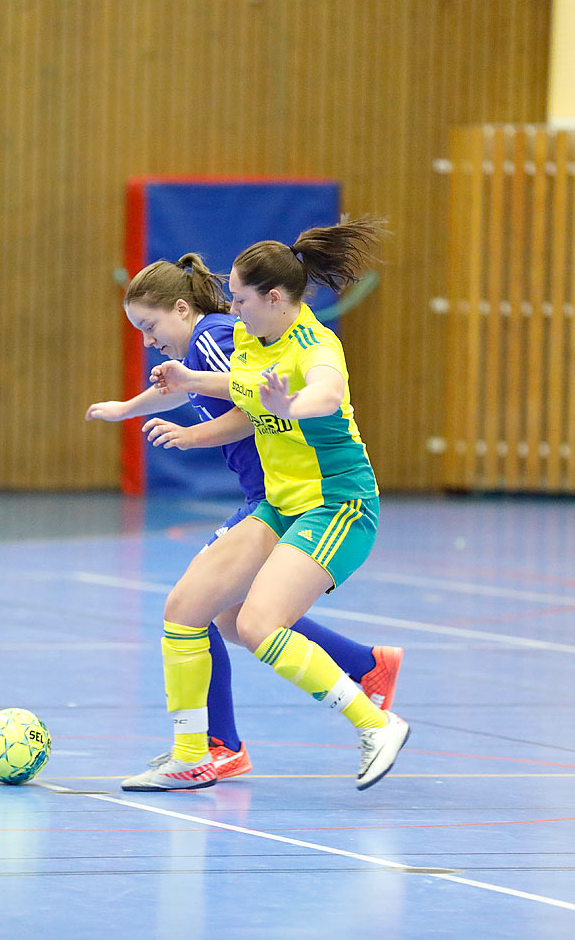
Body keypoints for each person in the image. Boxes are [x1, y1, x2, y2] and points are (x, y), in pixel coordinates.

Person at [86, 253, 402, 781]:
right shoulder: (253, 340)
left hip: (333, 501)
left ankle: (372, 721)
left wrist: (289, 406)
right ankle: (195, 755)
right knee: (190, 607)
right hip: (281, 502)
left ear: (273, 299)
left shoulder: (311, 343)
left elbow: (324, 390)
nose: (230, 310)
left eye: (238, 300)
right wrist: (168, 388)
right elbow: (237, 389)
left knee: (253, 622)